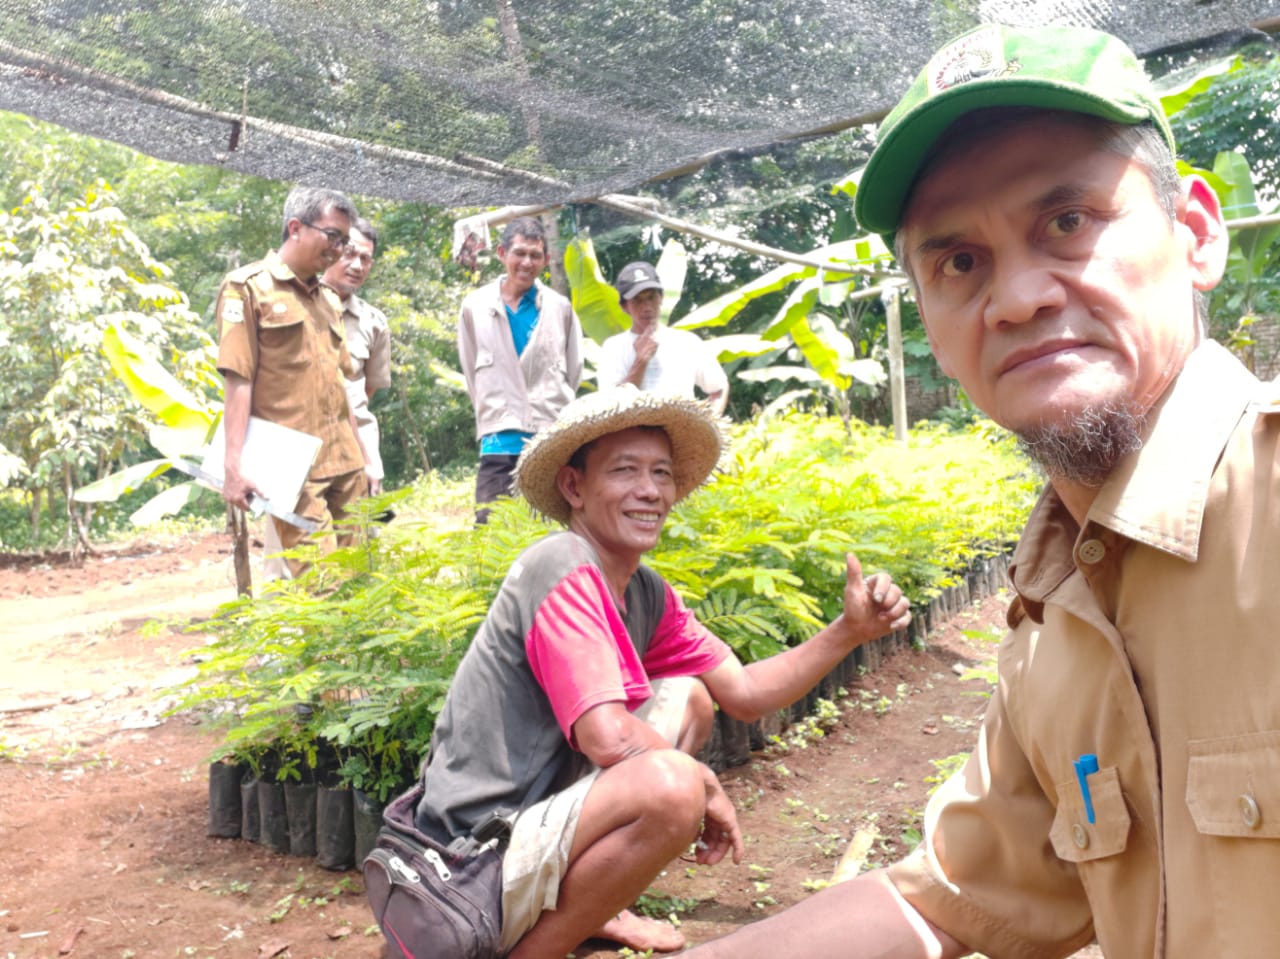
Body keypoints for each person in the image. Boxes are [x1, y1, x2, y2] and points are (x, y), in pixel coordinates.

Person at [685, 22, 1271, 959]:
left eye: (1068, 222)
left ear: (1196, 234)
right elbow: (949, 899)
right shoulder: (1056, 624)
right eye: (959, 262)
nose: (1018, 297)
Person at [411, 386, 911, 959]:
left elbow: (744, 694)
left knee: (691, 699)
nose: (650, 491)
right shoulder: (562, 564)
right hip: (471, 859)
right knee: (672, 786)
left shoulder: (645, 592)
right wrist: (702, 783)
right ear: (574, 486)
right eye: (625, 471)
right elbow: (606, 736)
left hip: (536, 826)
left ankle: (598, 908)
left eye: (661, 473)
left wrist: (848, 631)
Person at [215, 185, 371, 578]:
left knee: (363, 579)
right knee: (321, 583)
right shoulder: (248, 288)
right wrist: (232, 467)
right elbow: (238, 378)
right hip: (292, 469)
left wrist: (365, 461)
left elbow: (341, 387)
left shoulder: (329, 300)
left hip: (347, 465)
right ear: (296, 227)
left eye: (345, 241)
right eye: (332, 236)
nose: (339, 250)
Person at [457, 216, 583, 523]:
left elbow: (574, 371)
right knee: (491, 534)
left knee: (553, 533)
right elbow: (472, 373)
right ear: (502, 254)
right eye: (519, 253)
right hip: (499, 442)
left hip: (550, 441)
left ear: (546, 259)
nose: (526, 262)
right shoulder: (475, 306)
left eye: (535, 255)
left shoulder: (559, 308)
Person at [598, 261, 729, 414]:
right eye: (637, 300)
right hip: (635, 435)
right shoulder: (613, 347)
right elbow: (612, 406)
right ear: (624, 306)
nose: (646, 307)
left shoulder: (688, 342)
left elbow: (719, 388)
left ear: (661, 298)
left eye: (651, 297)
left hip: (682, 433)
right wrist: (640, 361)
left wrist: (710, 426)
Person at [324, 216, 391, 496]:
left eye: (365, 259)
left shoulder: (374, 322)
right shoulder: (294, 303)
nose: (357, 265)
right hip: (299, 443)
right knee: (297, 538)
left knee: (362, 535)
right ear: (333, 250)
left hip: (358, 448)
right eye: (350, 254)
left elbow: (367, 390)